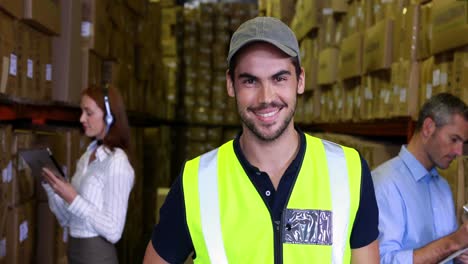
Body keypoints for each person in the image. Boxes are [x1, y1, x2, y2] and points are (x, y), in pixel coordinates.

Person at [143, 16, 380, 263]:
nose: (266, 97)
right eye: (250, 81)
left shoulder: (348, 171)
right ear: (230, 85)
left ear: (300, 80)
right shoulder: (198, 181)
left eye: (279, 78)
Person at [41, 84, 135, 264]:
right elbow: (68, 219)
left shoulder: (117, 162)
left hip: (97, 257)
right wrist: (53, 188)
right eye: (81, 112)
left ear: (109, 117)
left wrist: (74, 198)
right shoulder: (86, 158)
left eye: (88, 113)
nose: (82, 118)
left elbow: (114, 231)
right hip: (75, 253)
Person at [372, 93, 468, 264]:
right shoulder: (385, 184)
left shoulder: (443, 188)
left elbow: (448, 254)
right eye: (454, 139)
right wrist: (453, 243)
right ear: (428, 127)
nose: (459, 152)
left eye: (463, 143)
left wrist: (460, 255)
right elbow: (382, 261)